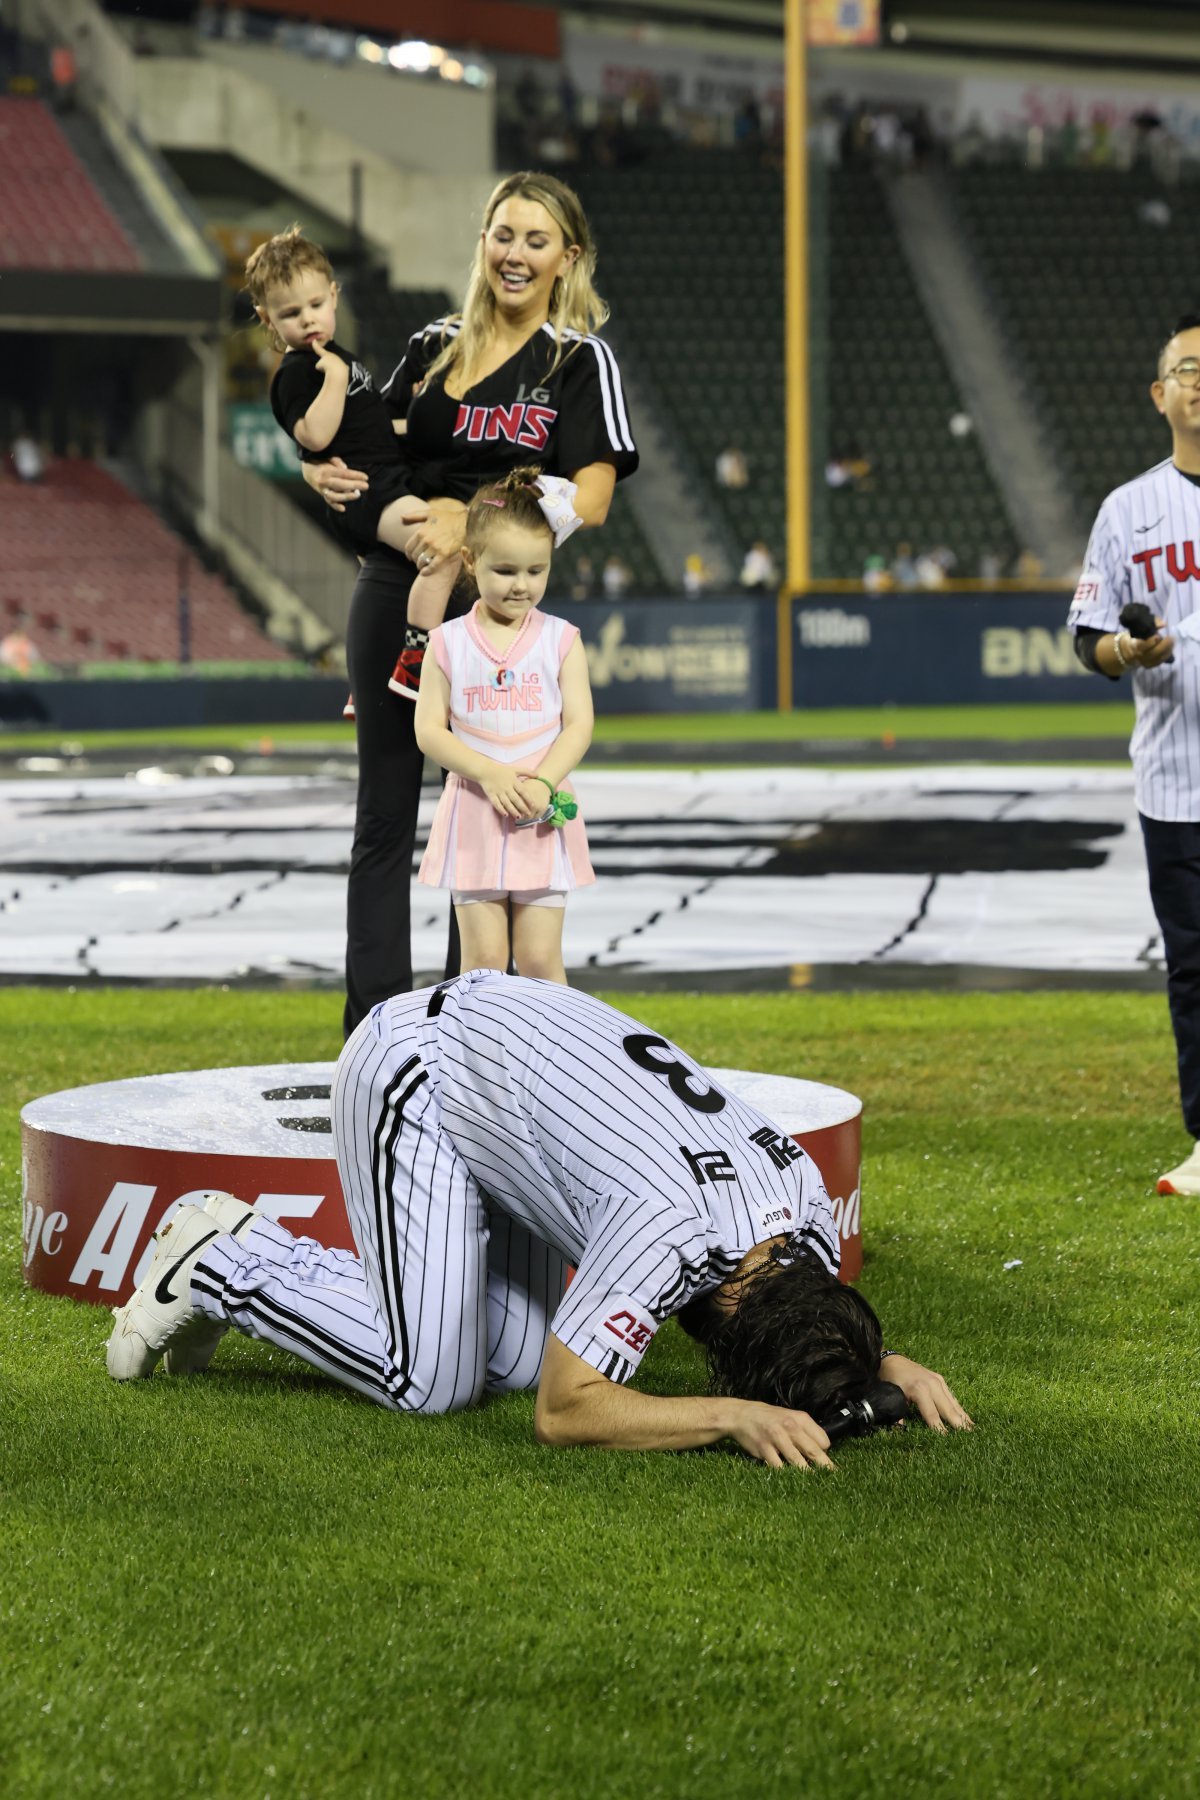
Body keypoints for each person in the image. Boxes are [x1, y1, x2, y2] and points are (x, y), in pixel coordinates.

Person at [105, 972, 972, 1465]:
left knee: (517, 1360)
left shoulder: (800, 1202)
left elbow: (806, 1298)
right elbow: (565, 1414)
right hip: (420, 1066)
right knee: (429, 1384)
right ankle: (225, 1259)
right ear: (742, 1302)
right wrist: (730, 1412)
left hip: (511, 1072)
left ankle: (278, 1267)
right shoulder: (665, 1227)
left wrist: (880, 1359)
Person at [301, 172, 638, 1037]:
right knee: (383, 817)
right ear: (482, 241)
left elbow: (592, 498)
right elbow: (363, 453)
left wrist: (473, 520)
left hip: (495, 614)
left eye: (535, 240)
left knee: (485, 818)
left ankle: (467, 1039)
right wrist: (323, 469)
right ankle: (373, 1041)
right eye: (503, 234)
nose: (515, 254)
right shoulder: (431, 347)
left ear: (569, 258)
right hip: (398, 587)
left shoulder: (576, 359)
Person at [1068, 313, 1200, 1197]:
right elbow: (1088, 637)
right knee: (1195, 965)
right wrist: (1129, 652)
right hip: (1177, 778)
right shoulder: (1129, 508)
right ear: (1161, 396)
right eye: (1188, 369)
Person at [246, 228, 457, 701]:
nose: (308, 320)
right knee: (444, 554)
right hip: (369, 490)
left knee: (391, 592)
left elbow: (374, 426)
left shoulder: (338, 357)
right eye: (291, 313)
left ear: (334, 295)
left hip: (385, 479)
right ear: (266, 318)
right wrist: (336, 380)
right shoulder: (298, 371)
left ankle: (366, 684)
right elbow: (315, 435)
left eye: (316, 305)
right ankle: (415, 666)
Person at [415, 469, 594, 986]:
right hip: (474, 811)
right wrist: (489, 775)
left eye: (537, 570)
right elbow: (429, 730)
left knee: (540, 962)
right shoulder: (447, 642)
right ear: (470, 562)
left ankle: (556, 1067)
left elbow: (579, 725)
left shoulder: (561, 639)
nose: (522, 585)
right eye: (506, 570)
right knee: (483, 966)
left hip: (541, 814)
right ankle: (477, 1069)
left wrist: (542, 782)